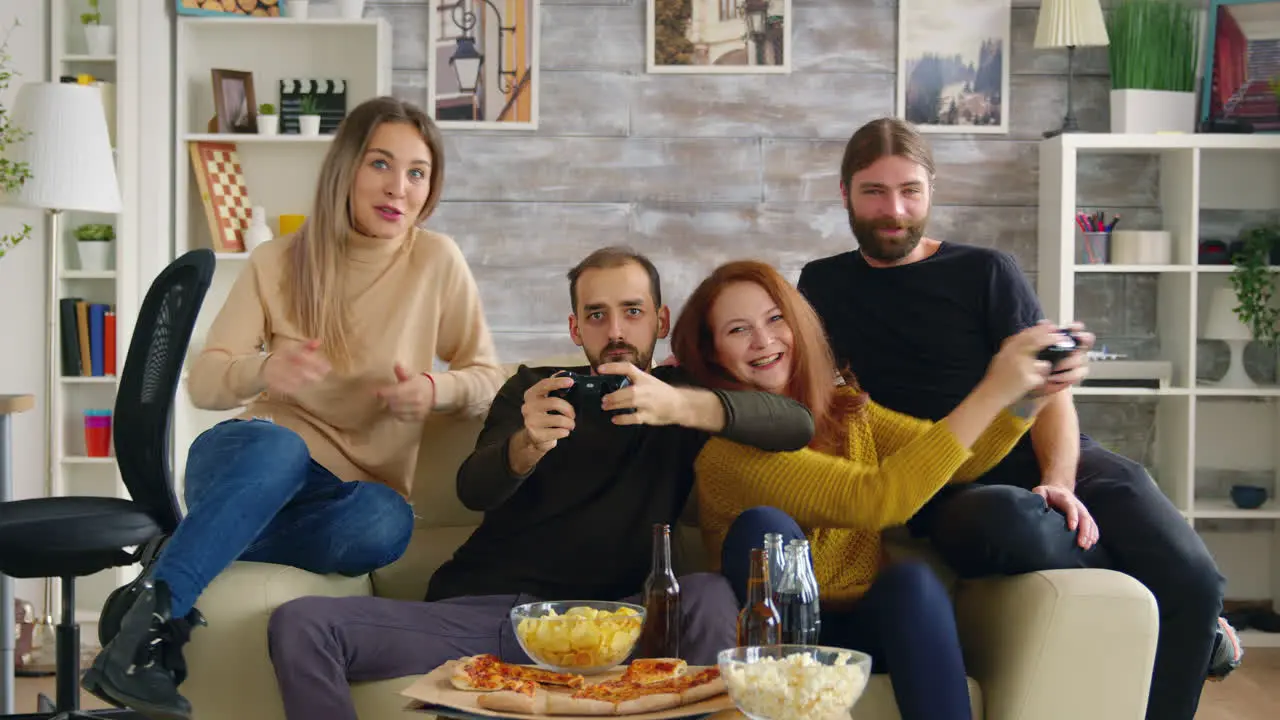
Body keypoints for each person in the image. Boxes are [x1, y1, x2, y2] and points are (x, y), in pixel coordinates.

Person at [796, 117, 1239, 720]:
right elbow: (798, 379)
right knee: (1004, 522)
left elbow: (1050, 390)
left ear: (932, 191)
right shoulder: (821, 284)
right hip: (954, 481)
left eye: (910, 191)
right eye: (874, 191)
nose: (893, 209)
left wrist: (1058, 481)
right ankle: (1154, 594)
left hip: (1058, 454)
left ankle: (1195, 624)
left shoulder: (986, 271)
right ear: (843, 191)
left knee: (1196, 581)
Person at [82, 96, 506, 720]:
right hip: (251, 458)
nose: (399, 188)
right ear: (346, 170)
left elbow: (488, 373)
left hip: (347, 498)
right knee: (281, 447)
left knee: (387, 525)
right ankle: (158, 619)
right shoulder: (278, 260)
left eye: (417, 172)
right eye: (381, 165)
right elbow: (204, 381)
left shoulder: (435, 261)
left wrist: (434, 390)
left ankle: (170, 571)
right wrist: (265, 369)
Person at [264, 246, 817, 720]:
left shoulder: (682, 398)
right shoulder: (531, 388)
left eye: (632, 311)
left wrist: (678, 404)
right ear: (575, 327)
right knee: (302, 622)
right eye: (596, 315)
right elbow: (472, 491)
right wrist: (525, 445)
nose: (616, 330)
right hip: (487, 616)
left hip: (613, 627)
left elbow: (794, 424)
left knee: (707, 594)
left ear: (661, 321)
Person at [668, 260, 1089, 720]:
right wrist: (993, 387)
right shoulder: (728, 450)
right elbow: (876, 500)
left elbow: (953, 461)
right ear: (713, 354)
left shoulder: (847, 411)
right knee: (765, 527)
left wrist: (1032, 395)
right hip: (770, 633)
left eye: (775, 319)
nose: (764, 340)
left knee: (912, 582)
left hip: (857, 625)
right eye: (737, 330)